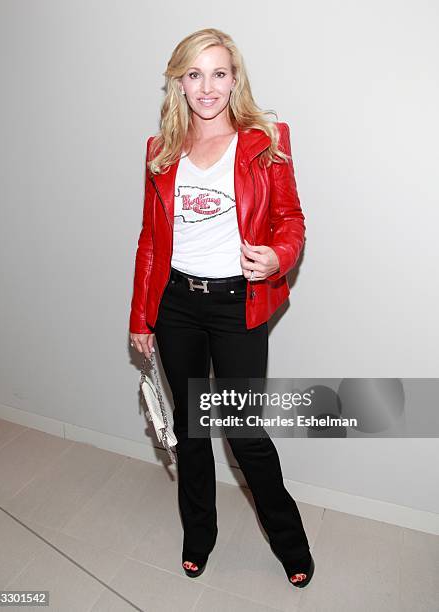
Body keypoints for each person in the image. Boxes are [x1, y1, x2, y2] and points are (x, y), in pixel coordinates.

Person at [129, 28, 314, 588]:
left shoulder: (266, 140)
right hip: (176, 305)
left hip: (237, 305)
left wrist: (276, 257)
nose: (206, 86)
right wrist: (141, 316)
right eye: (194, 74)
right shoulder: (160, 150)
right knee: (191, 431)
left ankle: (291, 543)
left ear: (235, 79)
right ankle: (199, 536)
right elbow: (150, 240)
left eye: (218, 73)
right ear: (178, 83)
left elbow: (292, 221)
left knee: (243, 433)